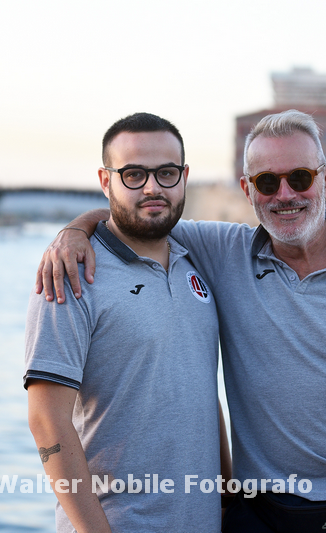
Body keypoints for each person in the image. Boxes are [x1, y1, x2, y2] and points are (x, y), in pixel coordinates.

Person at [35, 110, 326, 532]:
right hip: (261, 513)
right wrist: (73, 231)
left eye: (300, 177)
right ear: (248, 189)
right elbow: (136, 215)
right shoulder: (220, 252)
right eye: (267, 182)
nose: (285, 194)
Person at [25, 112, 230, 533]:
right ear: (106, 181)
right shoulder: (71, 273)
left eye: (166, 173)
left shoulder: (198, 261)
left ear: (184, 177)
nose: (153, 187)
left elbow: (204, 395)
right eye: (134, 174)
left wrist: (231, 506)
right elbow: (47, 420)